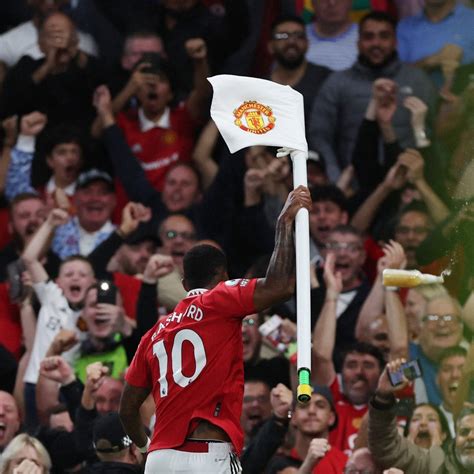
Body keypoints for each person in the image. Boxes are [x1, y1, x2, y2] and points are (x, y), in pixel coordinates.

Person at [119, 186, 312, 473]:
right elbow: (281, 287)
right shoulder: (221, 298)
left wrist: (145, 446)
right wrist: (284, 224)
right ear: (224, 276)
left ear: (184, 284)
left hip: (160, 458)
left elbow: (127, 409)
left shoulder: (154, 333)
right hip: (208, 454)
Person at [309, 10, 436, 182]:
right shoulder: (337, 82)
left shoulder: (417, 80)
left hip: (407, 183)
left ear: (395, 41)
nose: (376, 43)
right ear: (358, 43)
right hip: (353, 186)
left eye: (384, 36)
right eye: (369, 37)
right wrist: (335, 179)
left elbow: (432, 132)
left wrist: (420, 180)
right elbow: (320, 135)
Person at [369, 358, 474, 473]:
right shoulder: (436, 464)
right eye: (464, 432)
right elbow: (384, 445)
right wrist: (383, 396)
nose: (471, 437)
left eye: (431, 419)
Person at [267, 15, 331, 130]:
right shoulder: (259, 86)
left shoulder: (327, 80)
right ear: (270, 46)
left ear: (307, 44)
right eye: (282, 36)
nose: (291, 41)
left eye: (298, 36)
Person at [267, 385, 347, 473]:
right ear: (293, 417)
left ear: (331, 418)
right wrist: (309, 463)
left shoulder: (344, 462)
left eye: (320, 406)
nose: (311, 411)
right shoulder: (277, 463)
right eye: (303, 406)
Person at [397, 0, 474, 87]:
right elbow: (398, 78)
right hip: (415, 98)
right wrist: (429, 62)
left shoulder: (471, 21)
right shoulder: (405, 27)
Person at [51, 168, 117, 259]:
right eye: (87, 192)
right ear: (75, 198)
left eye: (103, 192)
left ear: (114, 200)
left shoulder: (123, 240)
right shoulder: (55, 232)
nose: (95, 198)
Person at [305, 0, 358, 71]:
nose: (332, 3)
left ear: (350, 2)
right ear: (312, 3)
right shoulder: (297, 38)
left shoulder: (369, 38)